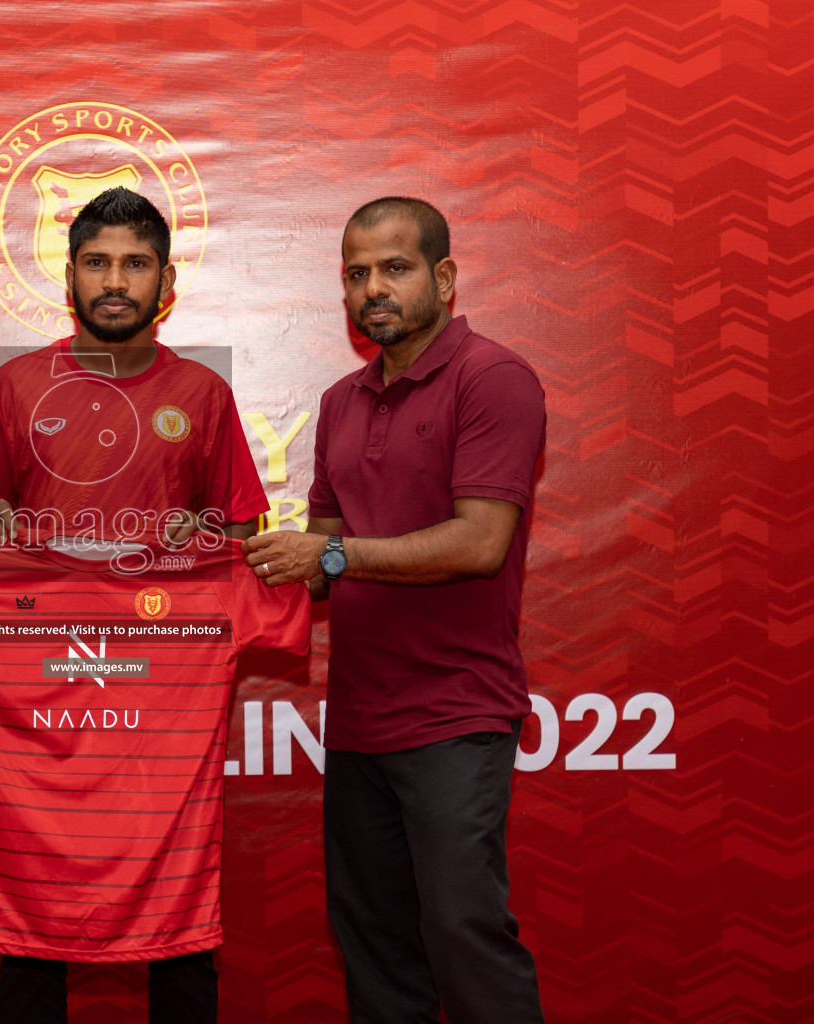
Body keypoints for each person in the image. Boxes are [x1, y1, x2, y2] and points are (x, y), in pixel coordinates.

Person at [0, 187, 269, 1024]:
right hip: (39, 695)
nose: (114, 280)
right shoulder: (15, 386)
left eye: (134, 263)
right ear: (70, 276)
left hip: (163, 700)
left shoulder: (201, 392)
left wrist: (207, 534)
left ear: (165, 282)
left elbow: (243, 542)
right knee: (33, 901)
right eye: (98, 262)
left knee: (177, 903)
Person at [243, 196, 548, 1023]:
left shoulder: (495, 378)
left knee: (465, 937)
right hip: (359, 722)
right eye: (357, 273)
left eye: (395, 268)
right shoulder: (341, 402)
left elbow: (480, 542)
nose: (374, 287)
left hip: (455, 713)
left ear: (443, 277)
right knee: (376, 951)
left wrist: (330, 556)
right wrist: (217, 557)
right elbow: (317, 563)